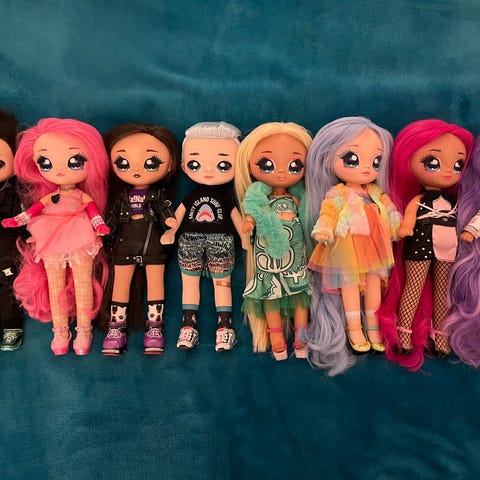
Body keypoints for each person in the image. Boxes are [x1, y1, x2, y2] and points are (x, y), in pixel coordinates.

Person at [2, 118, 110, 355]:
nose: (59, 169)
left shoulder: (83, 196)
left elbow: (94, 215)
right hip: (51, 238)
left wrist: (100, 226)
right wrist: (14, 222)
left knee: (83, 285)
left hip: (80, 237)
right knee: (55, 286)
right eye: (45, 162)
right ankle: (60, 330)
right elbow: (30, 213)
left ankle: (84, 330)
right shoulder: (48, 197)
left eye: (74, 161)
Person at [305, 117, 399, 375]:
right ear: (327, 160)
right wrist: (324, 227)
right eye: (352, 159)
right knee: (348, 285)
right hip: (347, 245)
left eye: (376, 161)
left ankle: (373, 326)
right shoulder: (338, 193)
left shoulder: (376, 193)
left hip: (376, 247)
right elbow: (329, 212)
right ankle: (354, 328)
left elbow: (390, 211)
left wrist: (397, 225)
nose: (368, 168)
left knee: (373, 284)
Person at [378, 119, 474, 370]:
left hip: (448, 247)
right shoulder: (419, 200)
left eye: (457, 165)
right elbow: (409, 218)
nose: (448, 172)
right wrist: (406, 227)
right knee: (414, 287)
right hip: (420, 243)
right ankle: (404, 334)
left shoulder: (455, 201)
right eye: (433, 162)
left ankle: (440, 335)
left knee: (442, 292)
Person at [162, 121, 245, 352]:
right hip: (190, 240)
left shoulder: (227, 198)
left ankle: (225, 327)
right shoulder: (190, 196)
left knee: (222, 283)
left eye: (223, 164)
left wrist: (244, 237)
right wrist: (170, 230)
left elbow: (237, 218)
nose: (208, 170)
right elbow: (177, 216)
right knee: (189, 282)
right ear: (183, 166)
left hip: (222, 242)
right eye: (195, 164)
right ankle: (188, 325)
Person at [234, 122, 312, 361]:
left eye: (294, 165)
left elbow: (306, 218)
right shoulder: (258, 200)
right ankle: (276, 336)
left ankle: (301, 334)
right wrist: (249, 223)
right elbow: (252, 215)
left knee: (300, 293)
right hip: (267, 254)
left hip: (295, 254)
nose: (280, 173)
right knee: (270, 293)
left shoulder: (298, 199)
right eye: (267, 165)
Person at [101, 122, 179, 355]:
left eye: (150, 163)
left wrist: (170, 223)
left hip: (153, 243)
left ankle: (155, 329)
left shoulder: (158, 195)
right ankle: (116, 329)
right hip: (124, 244)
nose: (135, 170)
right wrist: (102, 231)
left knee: (156, 285)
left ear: (170, 165)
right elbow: (111, 220)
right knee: (120, 285)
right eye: (123, 163)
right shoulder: (120, 197)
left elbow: (166, 212)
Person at [0, 109, 24, 351]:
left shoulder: (12, 194)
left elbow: (22, 217)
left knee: (8, 285)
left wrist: (28, 235)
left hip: (6, 247)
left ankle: (11, 326)